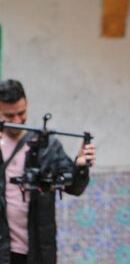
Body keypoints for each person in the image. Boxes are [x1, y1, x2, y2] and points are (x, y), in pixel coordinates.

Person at [0, 79, 96, 264]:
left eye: (21, 113)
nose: (17, 120)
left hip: (38, 250)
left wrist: (81, 166)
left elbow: (75, 188)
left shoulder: (48, 146)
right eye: (9, 116)